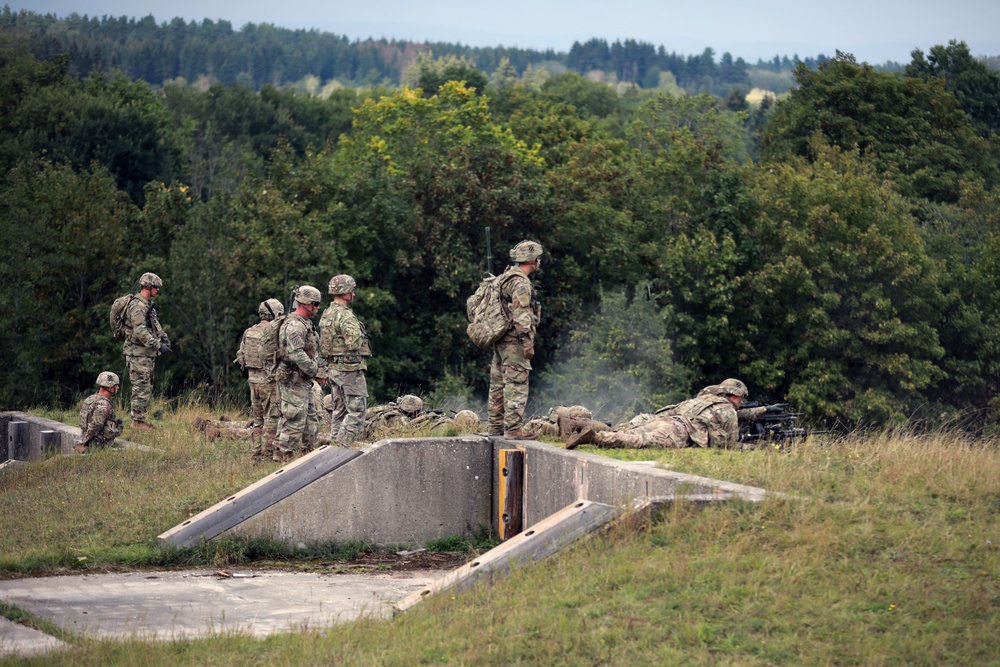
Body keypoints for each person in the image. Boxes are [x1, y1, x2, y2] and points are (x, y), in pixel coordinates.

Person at [563, 378, 756, 450]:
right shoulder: (728, 411)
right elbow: (728, 446)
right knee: (639, 441)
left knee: (627, 431)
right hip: (676, 431)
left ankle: (577, 424)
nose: (742, 403)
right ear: (736, 395)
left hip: (663, 420)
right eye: (741, 398)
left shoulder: (701, 401)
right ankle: (594, 437)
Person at [487, 240, 543, 440]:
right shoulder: (521, 283)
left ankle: (495, 426)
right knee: (516, 383)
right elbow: (521, 316)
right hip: (514, 340)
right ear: (531, 259)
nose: (539, 261)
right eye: (537, 258)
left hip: (500, 338)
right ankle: (513, 429)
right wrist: (527, 342)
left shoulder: (504, 278)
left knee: (498, 383)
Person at [318, 274, 372, 447]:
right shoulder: (345, 316)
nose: (354, 294)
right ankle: (341, 448)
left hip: (333, 369)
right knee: (357, 412)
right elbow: (354, 342)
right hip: (349, 370)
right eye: (352, 290)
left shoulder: (327, 314)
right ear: (345, 292)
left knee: (339, 412)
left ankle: (332, 449)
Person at [275, 285, 323, 462]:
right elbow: (296, 353)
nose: (318, 308)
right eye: (315, 304)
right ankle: (284, 458)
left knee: (311, 421)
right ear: (306, 303)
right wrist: (314, 369)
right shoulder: (295, 325)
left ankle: (307, 458)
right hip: (294, 380)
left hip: (304, 380)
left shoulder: (306, 324)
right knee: (293, 419)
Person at [235, 298, 284, 461]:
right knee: (272, 417)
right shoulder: (272, 332)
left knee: (258, 420)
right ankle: (267, 453)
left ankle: (256, 454)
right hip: (268, 381)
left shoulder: (250, 331)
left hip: (253, 381)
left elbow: (241, 356)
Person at [122, 272, 169, 430]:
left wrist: (163, 337)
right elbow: (140, 331)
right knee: (141, 387)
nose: (158, 290)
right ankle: (137, 423)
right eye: (156, 287)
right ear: (148, 287)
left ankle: (140, 420)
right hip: (138, 354)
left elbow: (153, 325)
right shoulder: (138, 306)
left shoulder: (147, 305)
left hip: (145, 354)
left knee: (146, 386)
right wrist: (157, 345)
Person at [76, 372, 123, 453]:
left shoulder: (90, 399)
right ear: (109, 386)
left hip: (89, 441)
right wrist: (83, 443)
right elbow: (94, 426)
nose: (118, 387)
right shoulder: (103, 405)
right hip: (97, 447)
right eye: (116, 385)